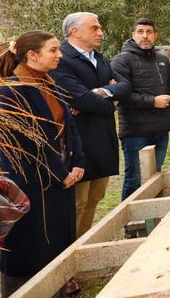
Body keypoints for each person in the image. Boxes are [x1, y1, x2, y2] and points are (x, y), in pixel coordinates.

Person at [0, 31, 85, 297]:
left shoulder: (50, 83)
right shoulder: (11, 91)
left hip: (62, 177)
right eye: (54, 50)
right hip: (30, 182)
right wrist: (60, 173)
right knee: (30, 245)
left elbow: (70, 128)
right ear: (32, 55)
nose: (60, 55)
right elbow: (27, 143)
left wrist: (77, 161)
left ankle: (58, 286)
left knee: (57, 240)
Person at [49, 12, 131, 236]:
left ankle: (82, 244)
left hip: (102, 139)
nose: (100, 32)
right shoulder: (61, 60)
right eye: (94, 28)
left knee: (95, 198)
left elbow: (125, 86)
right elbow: (79, 99)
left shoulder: (100, 58)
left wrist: (100, 93)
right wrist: (110, 100)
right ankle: (67, 254)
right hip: (79, 143)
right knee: (77, 203)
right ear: (75, 32)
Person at [111, 18, 170, 200]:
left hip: (161, 130)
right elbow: (119, 95)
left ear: (155, 35)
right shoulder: (121, 60)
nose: (145, 36)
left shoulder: (162, 59)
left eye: (149, 32)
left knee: (155, 176)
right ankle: (132, 225)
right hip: (136, 132)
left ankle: (152, 217)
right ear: (133, 35)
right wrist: (152, 102)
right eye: (140, 32)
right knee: (135, 179)